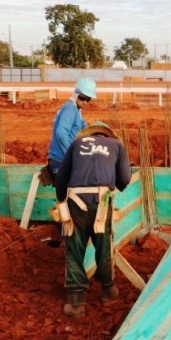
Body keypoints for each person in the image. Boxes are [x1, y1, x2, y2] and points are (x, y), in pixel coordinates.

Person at [54, 121, 132, 316]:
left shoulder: (76, 145)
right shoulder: (117, 146)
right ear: (107, 135)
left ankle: (76, 302)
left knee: (74, 248)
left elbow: (61, 179)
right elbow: (125, 179)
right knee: (104, 245)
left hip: (75, 201)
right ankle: (108, 291)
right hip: (102, 202)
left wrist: (62, 201)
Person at [45, 78, 95, 180]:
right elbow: (61, 133)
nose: (85, 102)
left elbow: (85, 128)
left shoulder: (75, 109)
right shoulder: (71, 109)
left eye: (88, 99)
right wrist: (72, 155)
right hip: (60, 162)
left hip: (59, 161)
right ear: (75, 94)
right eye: (82, 98)